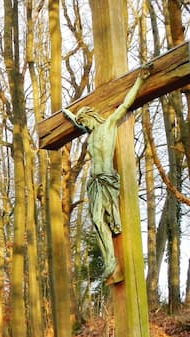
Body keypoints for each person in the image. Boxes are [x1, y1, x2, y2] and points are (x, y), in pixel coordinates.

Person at [63, 71, 147, 279]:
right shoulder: (89, 136)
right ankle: (109, 258)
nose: (85, 126)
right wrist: (69, 116)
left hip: (107, 178)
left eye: (86, 122)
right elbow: (76, 123)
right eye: (82, 124)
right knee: (95, 218)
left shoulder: (108, 126)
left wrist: (140, 80)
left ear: (91, 118)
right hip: (94, 182)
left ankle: (111, 258)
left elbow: (126, 104)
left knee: (102, 217)